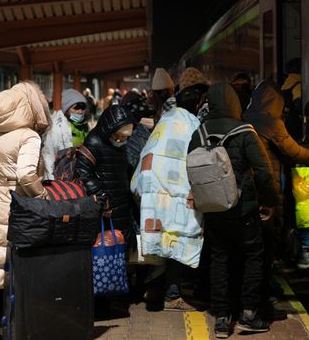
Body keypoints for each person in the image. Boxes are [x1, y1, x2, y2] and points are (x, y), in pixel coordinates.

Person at [189, 84, 278, 337]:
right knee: (253, 256)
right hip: (244, 209)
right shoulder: (245, 132)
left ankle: (221, 317)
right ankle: (248, 314)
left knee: (219, 258)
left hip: (214, 208)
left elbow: (192, 170)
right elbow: (263, 171)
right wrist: (269, 201)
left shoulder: (201, 132)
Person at [0, 81, 51, 340]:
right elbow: (26, 176)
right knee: (18, 268)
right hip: (18, 205)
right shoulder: (28, 136)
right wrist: (44, 196)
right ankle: (14, 327)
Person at [243, 80, 309, 315]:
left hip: (249, 187)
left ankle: (263, 291)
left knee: (255, 246)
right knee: (267, 244)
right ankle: (264, 299)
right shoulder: (272, 122)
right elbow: (293, 151)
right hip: (269, 185)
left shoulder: (246, 117)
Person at [130, 84, 207, 312]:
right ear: (198, 103)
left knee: (157, 241)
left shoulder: (166, 119)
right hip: (173, 190)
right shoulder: (192, 124)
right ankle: (173, 295)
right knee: (175, 237)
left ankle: (154, 289)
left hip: (151, 185)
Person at [75, 105, 136, 241]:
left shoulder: (120, 145)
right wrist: (101, 196)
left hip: (121, 204)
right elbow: (83, 173)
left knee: (120, 245)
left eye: (125, 137)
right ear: (108, 129)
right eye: (117, 135)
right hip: (105, 209)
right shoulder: (93, 142)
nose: (120, 140)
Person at [41, 88, 90, 179]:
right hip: (61, 179)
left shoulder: (86, 126)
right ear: (66, 108)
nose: (80, 111)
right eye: (76, 107)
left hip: (81, 177)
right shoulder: (55, 128)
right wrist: (52, 182)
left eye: (83, 107)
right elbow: (49, 156)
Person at [280, 59, 304, 140]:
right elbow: (298, 105)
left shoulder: (286, 83)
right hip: (294, 122)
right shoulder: (298, 84)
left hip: (284, 120)